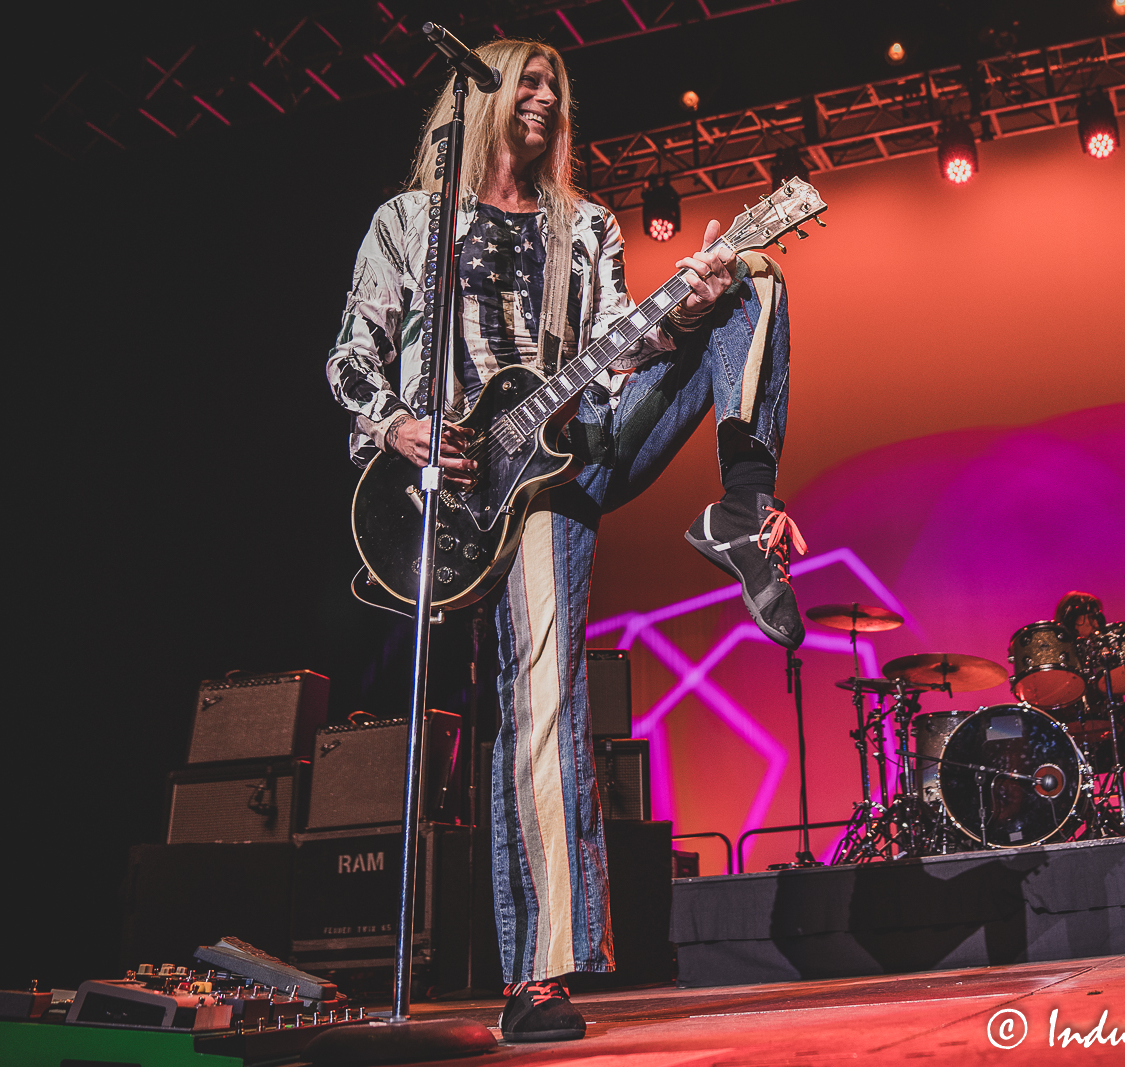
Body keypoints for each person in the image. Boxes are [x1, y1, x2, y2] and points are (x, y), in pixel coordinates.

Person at [324, 40, 802, 1042]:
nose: (542, 94)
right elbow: (350, 357)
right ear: (482, 98)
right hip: (456, 483)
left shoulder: (584, 227)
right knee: (540, 696)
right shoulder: (409, 222)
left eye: (555, 84)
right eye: (524, 80)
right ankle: (536, 976)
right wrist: (401, 428)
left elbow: (615, 363)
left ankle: (739, 503)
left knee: (749, 274)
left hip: (573, 448)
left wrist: (679, 315)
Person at [1052, 591, 1125, 794]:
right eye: (1089, 617)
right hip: (1071, 737)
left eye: (1097, 616)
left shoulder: (1102, 650)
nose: (1096, 622)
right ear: (1072, 620)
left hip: (1107, 732)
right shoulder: (1058, 655)